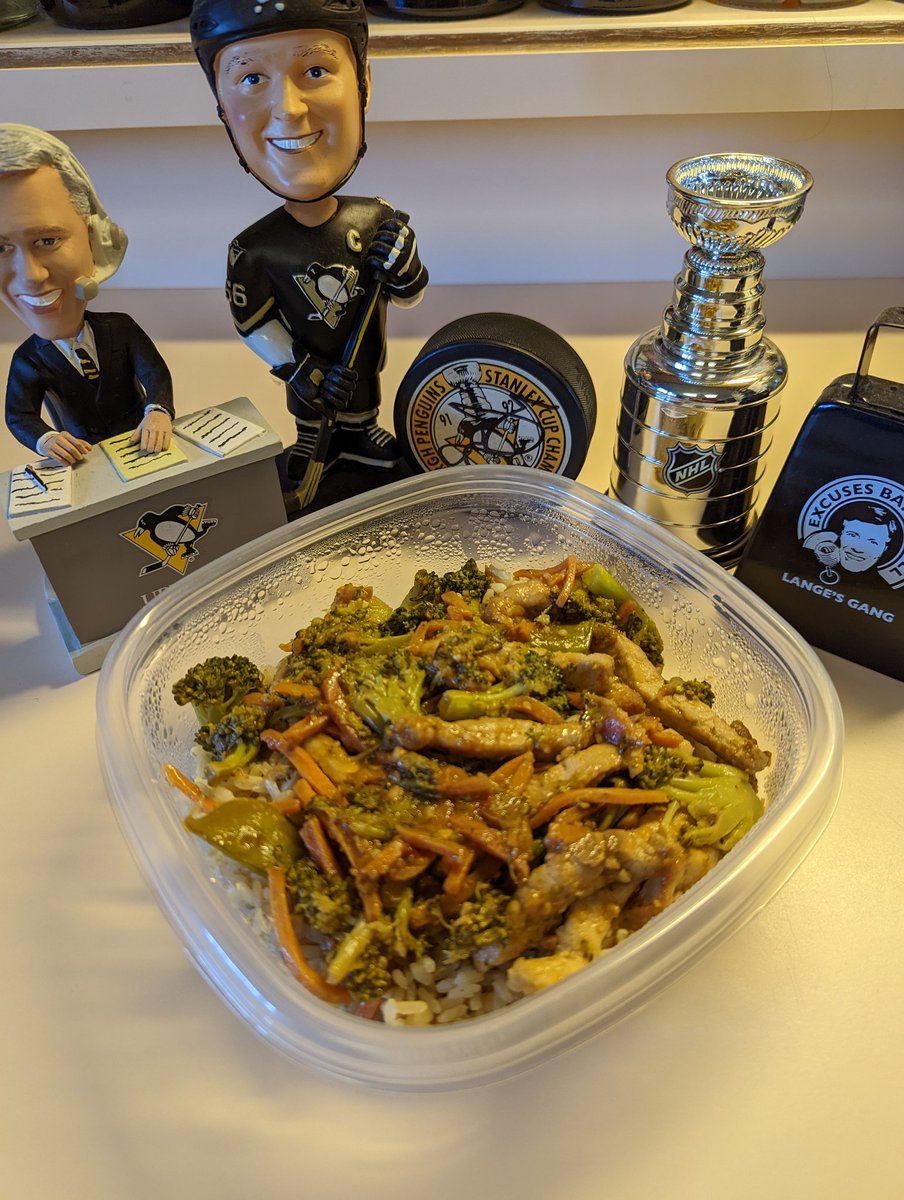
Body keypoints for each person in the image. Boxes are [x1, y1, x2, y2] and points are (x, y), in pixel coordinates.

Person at [189, 0, 428, 505]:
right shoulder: (253, 250)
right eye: (252, 78)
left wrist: (403, 262)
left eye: (316, 71)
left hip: (362, 368)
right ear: (222, 108)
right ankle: (312, 441)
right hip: (309, 375)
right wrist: (305, 370)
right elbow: (254, 324)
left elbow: (408, 293)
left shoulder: (377, 218)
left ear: (364, 84)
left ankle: (360, 430)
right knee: (314, 406)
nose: (290, 110)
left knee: (360, 391)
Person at [0, 124, 174, 466]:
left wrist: (158, 410)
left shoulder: (121, 328)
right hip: (85, 460)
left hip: (142, 443)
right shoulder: (28, 359)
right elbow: (19, 414)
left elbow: (154, 372)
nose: (32, 277)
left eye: (47, 240)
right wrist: (47, 439)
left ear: (96, 240)